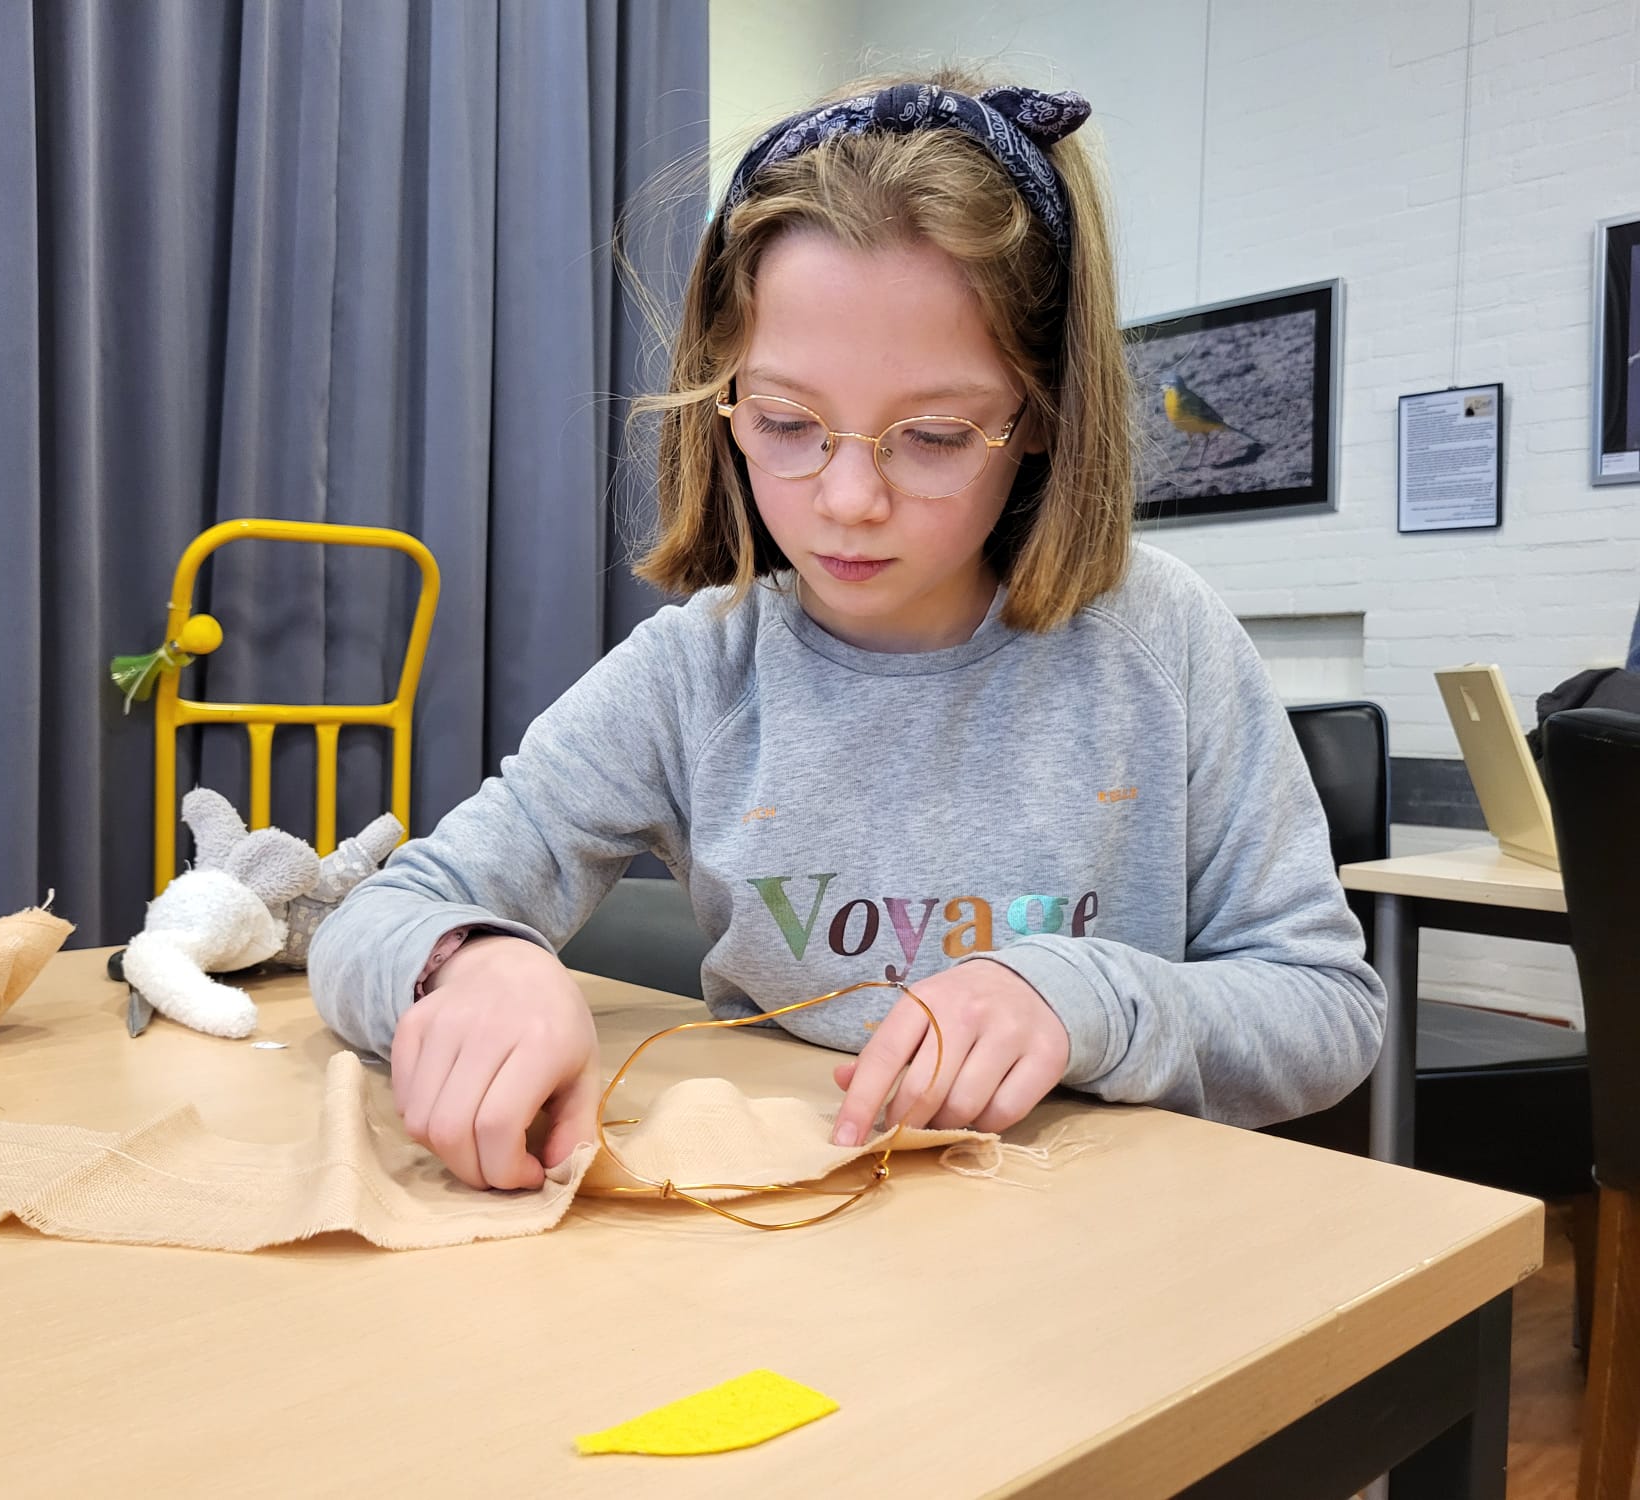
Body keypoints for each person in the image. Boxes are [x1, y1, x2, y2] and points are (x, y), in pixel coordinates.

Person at [309, 68, 1386, 1192]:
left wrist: (1085, 1000)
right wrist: (468, 964)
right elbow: (376, 917)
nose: (847, 501)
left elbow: (1323, 1012)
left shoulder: (1160, 642)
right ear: (720, 395)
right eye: (784, 423)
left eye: (929, 435)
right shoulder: (698, 668)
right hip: (794, 1250)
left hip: (1103, 1259)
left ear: (1037, 418)